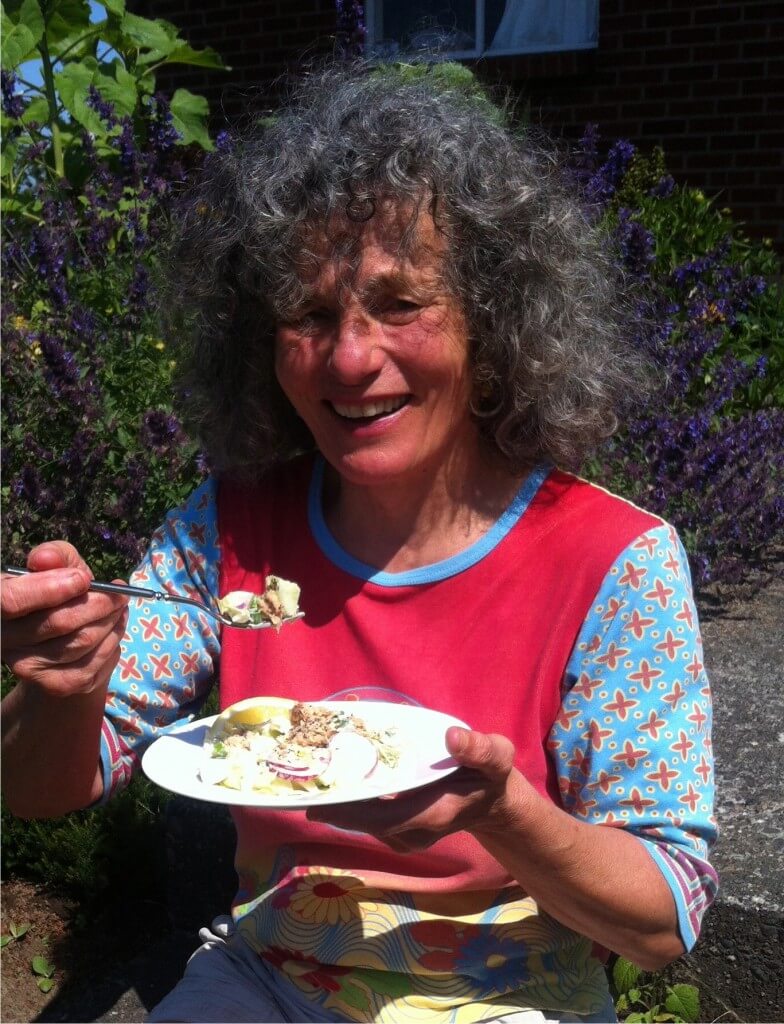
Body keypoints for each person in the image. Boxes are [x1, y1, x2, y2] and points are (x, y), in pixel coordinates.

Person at [1, 63, 717, 1024]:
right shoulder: (231, 527)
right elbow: (46, 789)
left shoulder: (612, 561)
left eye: (400, 301)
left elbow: (663, 918)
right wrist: (65, 687)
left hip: (512, 995)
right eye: (308, 312)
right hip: (269, 976)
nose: (348, 356)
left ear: (491, 324)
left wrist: (504, 814)